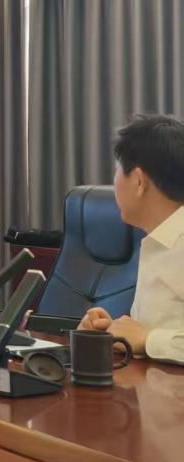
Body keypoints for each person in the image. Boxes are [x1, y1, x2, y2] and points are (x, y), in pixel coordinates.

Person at [78, 114, 184, 365]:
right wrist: (115, 334)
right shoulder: (158, 241)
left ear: (138, 181)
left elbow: (148, 339)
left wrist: (148, 339)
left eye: (117, 171)